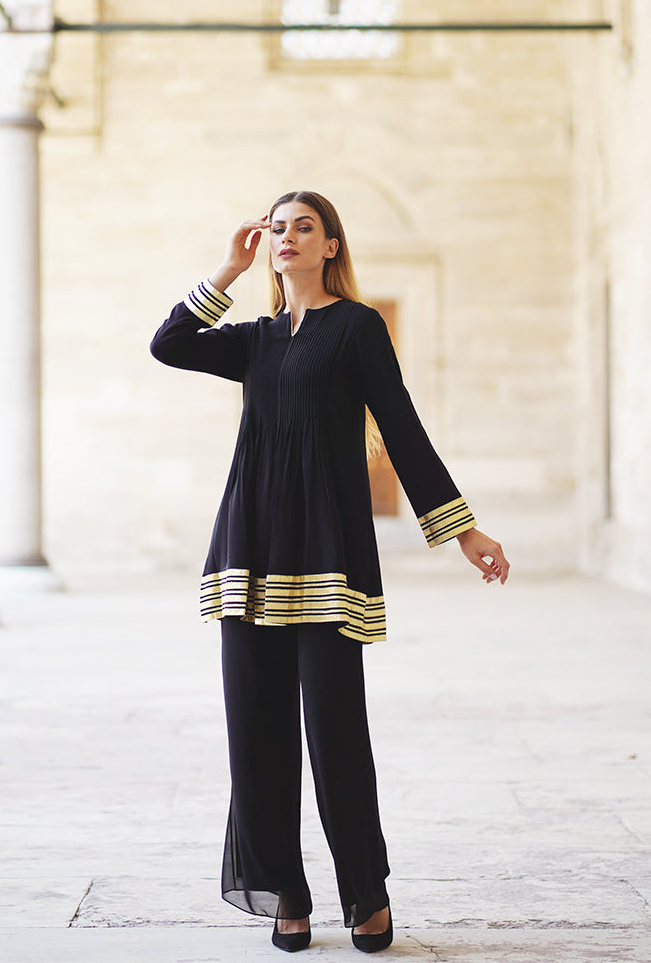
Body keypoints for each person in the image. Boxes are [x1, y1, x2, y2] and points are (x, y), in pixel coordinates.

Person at [150, 190, 510, 954]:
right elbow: (170, 343)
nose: (285, 238)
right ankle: (285, 891)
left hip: (325, 555)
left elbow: (401, 425)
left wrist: (460, 529)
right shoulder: (253, 339)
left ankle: (366, 895)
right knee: (254, 734)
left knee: (337, 732)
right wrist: (227, 268)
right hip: (248, 553)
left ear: (331, 246)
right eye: (276, 228)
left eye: (301, 228)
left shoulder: (356, 327)